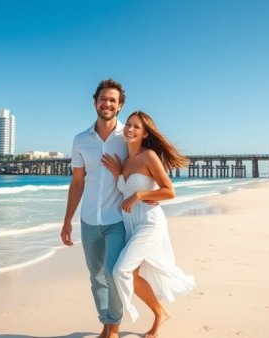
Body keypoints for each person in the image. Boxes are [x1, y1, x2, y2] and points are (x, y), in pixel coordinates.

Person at [103, 111, 196, 338]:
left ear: (145, 134)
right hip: (130, 225)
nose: (130, 130)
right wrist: (118, 174)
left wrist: (139, 196)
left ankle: (133, 312)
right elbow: (125, 189)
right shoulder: (125, 161)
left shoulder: (149, 156)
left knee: (120, 270)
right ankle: (160, 313)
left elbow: (169, 191)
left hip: (149, 223)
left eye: (136, 127)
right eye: (129, 126)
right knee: (132, 274)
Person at [60, 78, 129, 338]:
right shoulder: (80, 140)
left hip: (118, 219)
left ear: (120, 105)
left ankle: (115, 325)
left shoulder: (128, 137)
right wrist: (67, 221)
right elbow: (77, 182)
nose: (107, 103)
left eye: (113, 100)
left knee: (113, 274)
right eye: (103, 99)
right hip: (89, 220)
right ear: (95, 102)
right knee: (96, 277)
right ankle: (106, 322)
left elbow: (143, 168)